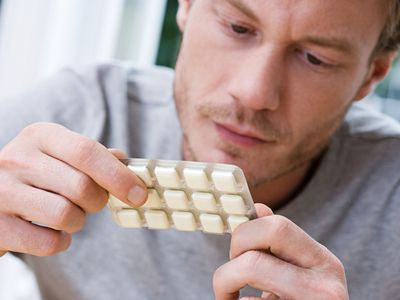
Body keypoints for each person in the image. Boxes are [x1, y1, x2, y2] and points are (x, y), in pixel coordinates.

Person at [0, 0, 400, 299]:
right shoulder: (78, 114)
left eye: (315, 58)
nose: (254, 92)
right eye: (238, 28)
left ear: (372, 75)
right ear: (187, 6)